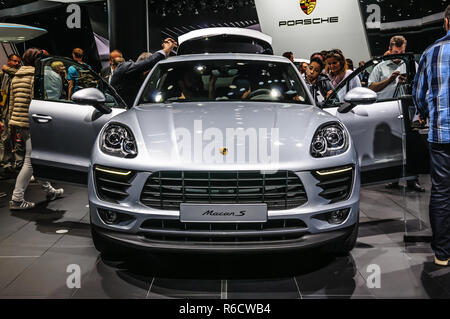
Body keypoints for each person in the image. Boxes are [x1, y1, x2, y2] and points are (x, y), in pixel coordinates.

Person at [412, 5, 450, 266]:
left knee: (442, 192)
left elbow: (418, 93)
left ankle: (443, 254)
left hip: (442, 133)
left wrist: (424, 112)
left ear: (446, 22)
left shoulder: (432, 51)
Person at [8, 48, 63, 210]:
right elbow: (36, 103)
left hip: (19, 122)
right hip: (33, 123)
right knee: (31, 161)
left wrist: (12, 125)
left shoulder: (16, 76)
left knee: (37, 158)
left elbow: (12, 102)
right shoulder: (35, 77)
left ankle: (50, 191)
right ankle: (17, 199)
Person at [111, 38, 177, 107]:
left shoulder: (143, 80)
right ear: (147, 68)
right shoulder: (124, 68)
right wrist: (166, 50)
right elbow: (149, 62)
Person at [0, 54, 22, 176]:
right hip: (6, 110)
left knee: (19, 138)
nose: (17, 63)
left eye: (18, 61)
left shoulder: (17, 73)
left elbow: (15, 72)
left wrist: (6, 68)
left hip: (17, 110)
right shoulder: (3, 75)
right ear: (9, 61)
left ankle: (19, 163)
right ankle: (7, 163)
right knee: (6, 137)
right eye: (14, 61)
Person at [368, 35, 408, 100]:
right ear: (390, 49)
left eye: (402, 52)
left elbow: (421, 85)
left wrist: (409, 81)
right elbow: (371, 88)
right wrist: (389, 80)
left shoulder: (411, 64)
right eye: (396, 52)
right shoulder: (379, 67)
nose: (399, 55)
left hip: (407, 104)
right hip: (385, 107)